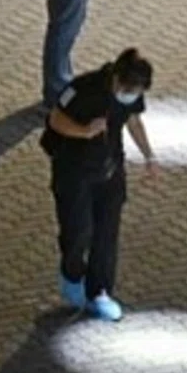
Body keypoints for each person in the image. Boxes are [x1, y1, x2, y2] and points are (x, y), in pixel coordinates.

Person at [41, 48, 157, 323]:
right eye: (128, 88)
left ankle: (99, 292)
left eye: (137, 91)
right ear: (116, 78)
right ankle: (72, 272)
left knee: (106, 234)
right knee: (79, 230)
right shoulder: (83, 89)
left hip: (109, 169)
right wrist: (84, 131)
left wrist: (149, 155)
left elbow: (133, 121)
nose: (131, 94)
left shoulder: (131, 94)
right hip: (74, 171)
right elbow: (56, 120)